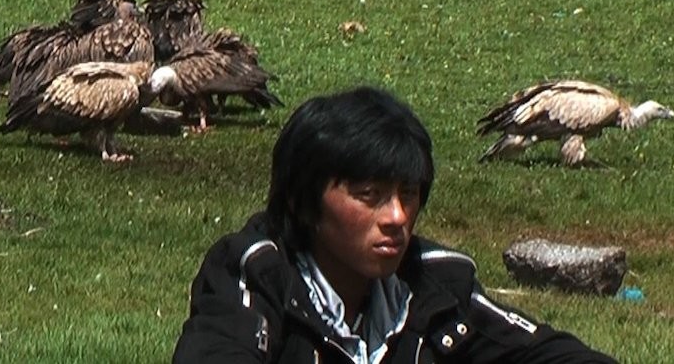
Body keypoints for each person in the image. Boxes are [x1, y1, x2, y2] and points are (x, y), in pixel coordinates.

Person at [173, 87, 618, 363]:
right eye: (370, 196)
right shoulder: (256, 273)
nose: (397, 217)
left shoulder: (435, 284)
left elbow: (547, 353)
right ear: (303, 201)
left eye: (408, 194)